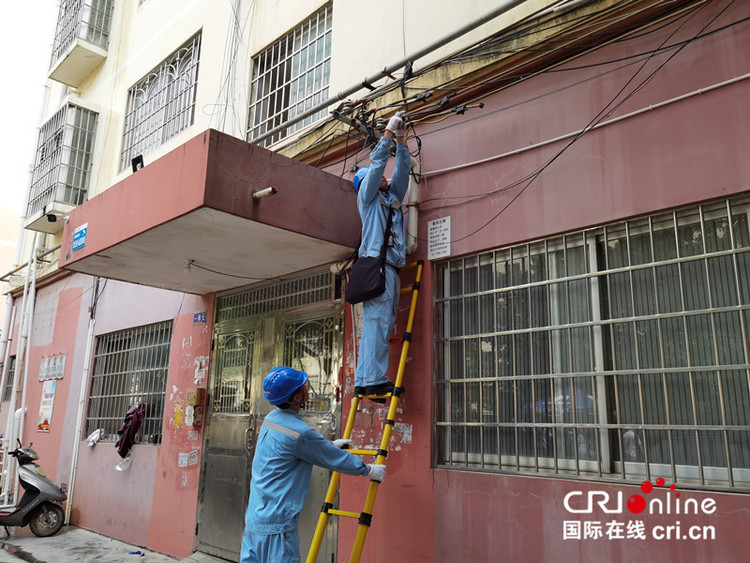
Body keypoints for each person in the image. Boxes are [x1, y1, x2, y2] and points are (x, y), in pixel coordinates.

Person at [240, 366, 386, 563]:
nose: (307, 388)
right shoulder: (299, 433)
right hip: (277, 531)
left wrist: (327, 446)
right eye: (303, 386)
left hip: (254, 523)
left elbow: (288, 451)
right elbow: (335, 458)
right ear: (297, 397)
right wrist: (369, 470)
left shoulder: (270, 420)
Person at [351, 112, 411, 401]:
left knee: (380, 323)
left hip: (390, 268)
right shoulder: (368, 197)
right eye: (376, 179)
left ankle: (364, 380)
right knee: (377, 322)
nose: (385, 179)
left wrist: (401, 141)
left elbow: (402, 172)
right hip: (378, 265)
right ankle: (374, 378)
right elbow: (376, 167)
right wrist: (387, 134)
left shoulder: (392, 199)